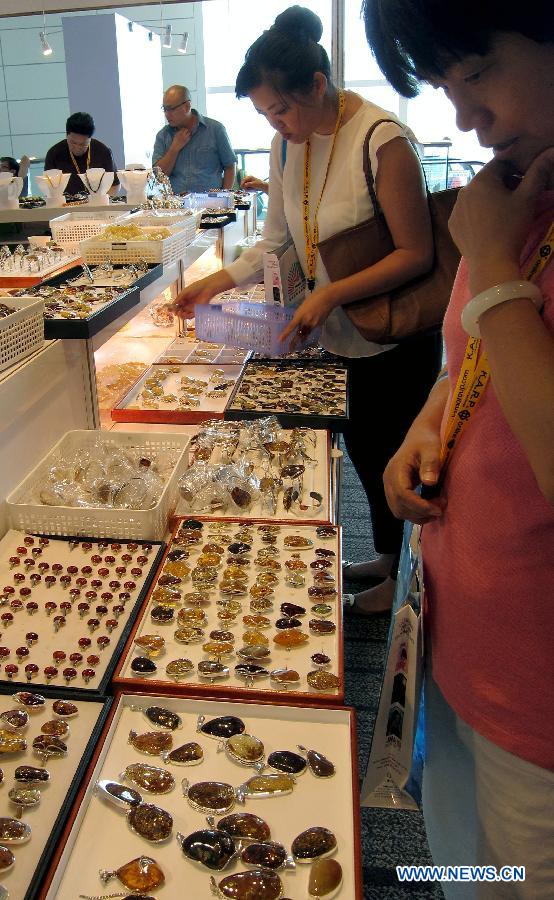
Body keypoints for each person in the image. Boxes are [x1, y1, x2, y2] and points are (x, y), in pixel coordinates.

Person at [366, 0, 554, 894]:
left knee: (514, 876)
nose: (464, 115)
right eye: (445, 85)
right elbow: (464, 358)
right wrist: (429, 422)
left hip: (539, 702)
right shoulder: (520, 189)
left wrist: (495, 260)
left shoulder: (496, 222)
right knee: (460, 861)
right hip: (452, 643)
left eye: (476, 72)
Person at [174, 6, 439, 616]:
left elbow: (416, 252)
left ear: (318, 85)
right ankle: (385, 558)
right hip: (338, 336)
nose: (277, 123)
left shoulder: (383, 139)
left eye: (283, 109)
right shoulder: (286, 145)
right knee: (367, 454)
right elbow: (278, 244)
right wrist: (213, 282)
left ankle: (410, 588)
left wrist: (328, 293)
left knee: (400, 458)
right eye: (266, 114)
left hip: (393, 338)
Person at [153, 85, 237, 193]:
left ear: (187, 106)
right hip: (176, 205)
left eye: (171, 109)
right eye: (164, 109)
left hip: (211, 204)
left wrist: (224, 197)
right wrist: (174, 148)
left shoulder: (215, 129)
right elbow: (158, 177)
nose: (167, 114)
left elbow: (230, 165)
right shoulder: (163, 136)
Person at [44, 112, 117, 196]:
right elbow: (49, 188)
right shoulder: (54, 153)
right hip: (66, 206)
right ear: (66, 135)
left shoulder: (103, 151)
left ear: (90, 138)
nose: (77, 148)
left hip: (97, 205)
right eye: (73, 143)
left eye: (83, 144)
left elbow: (114, 185)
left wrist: (101, 203)